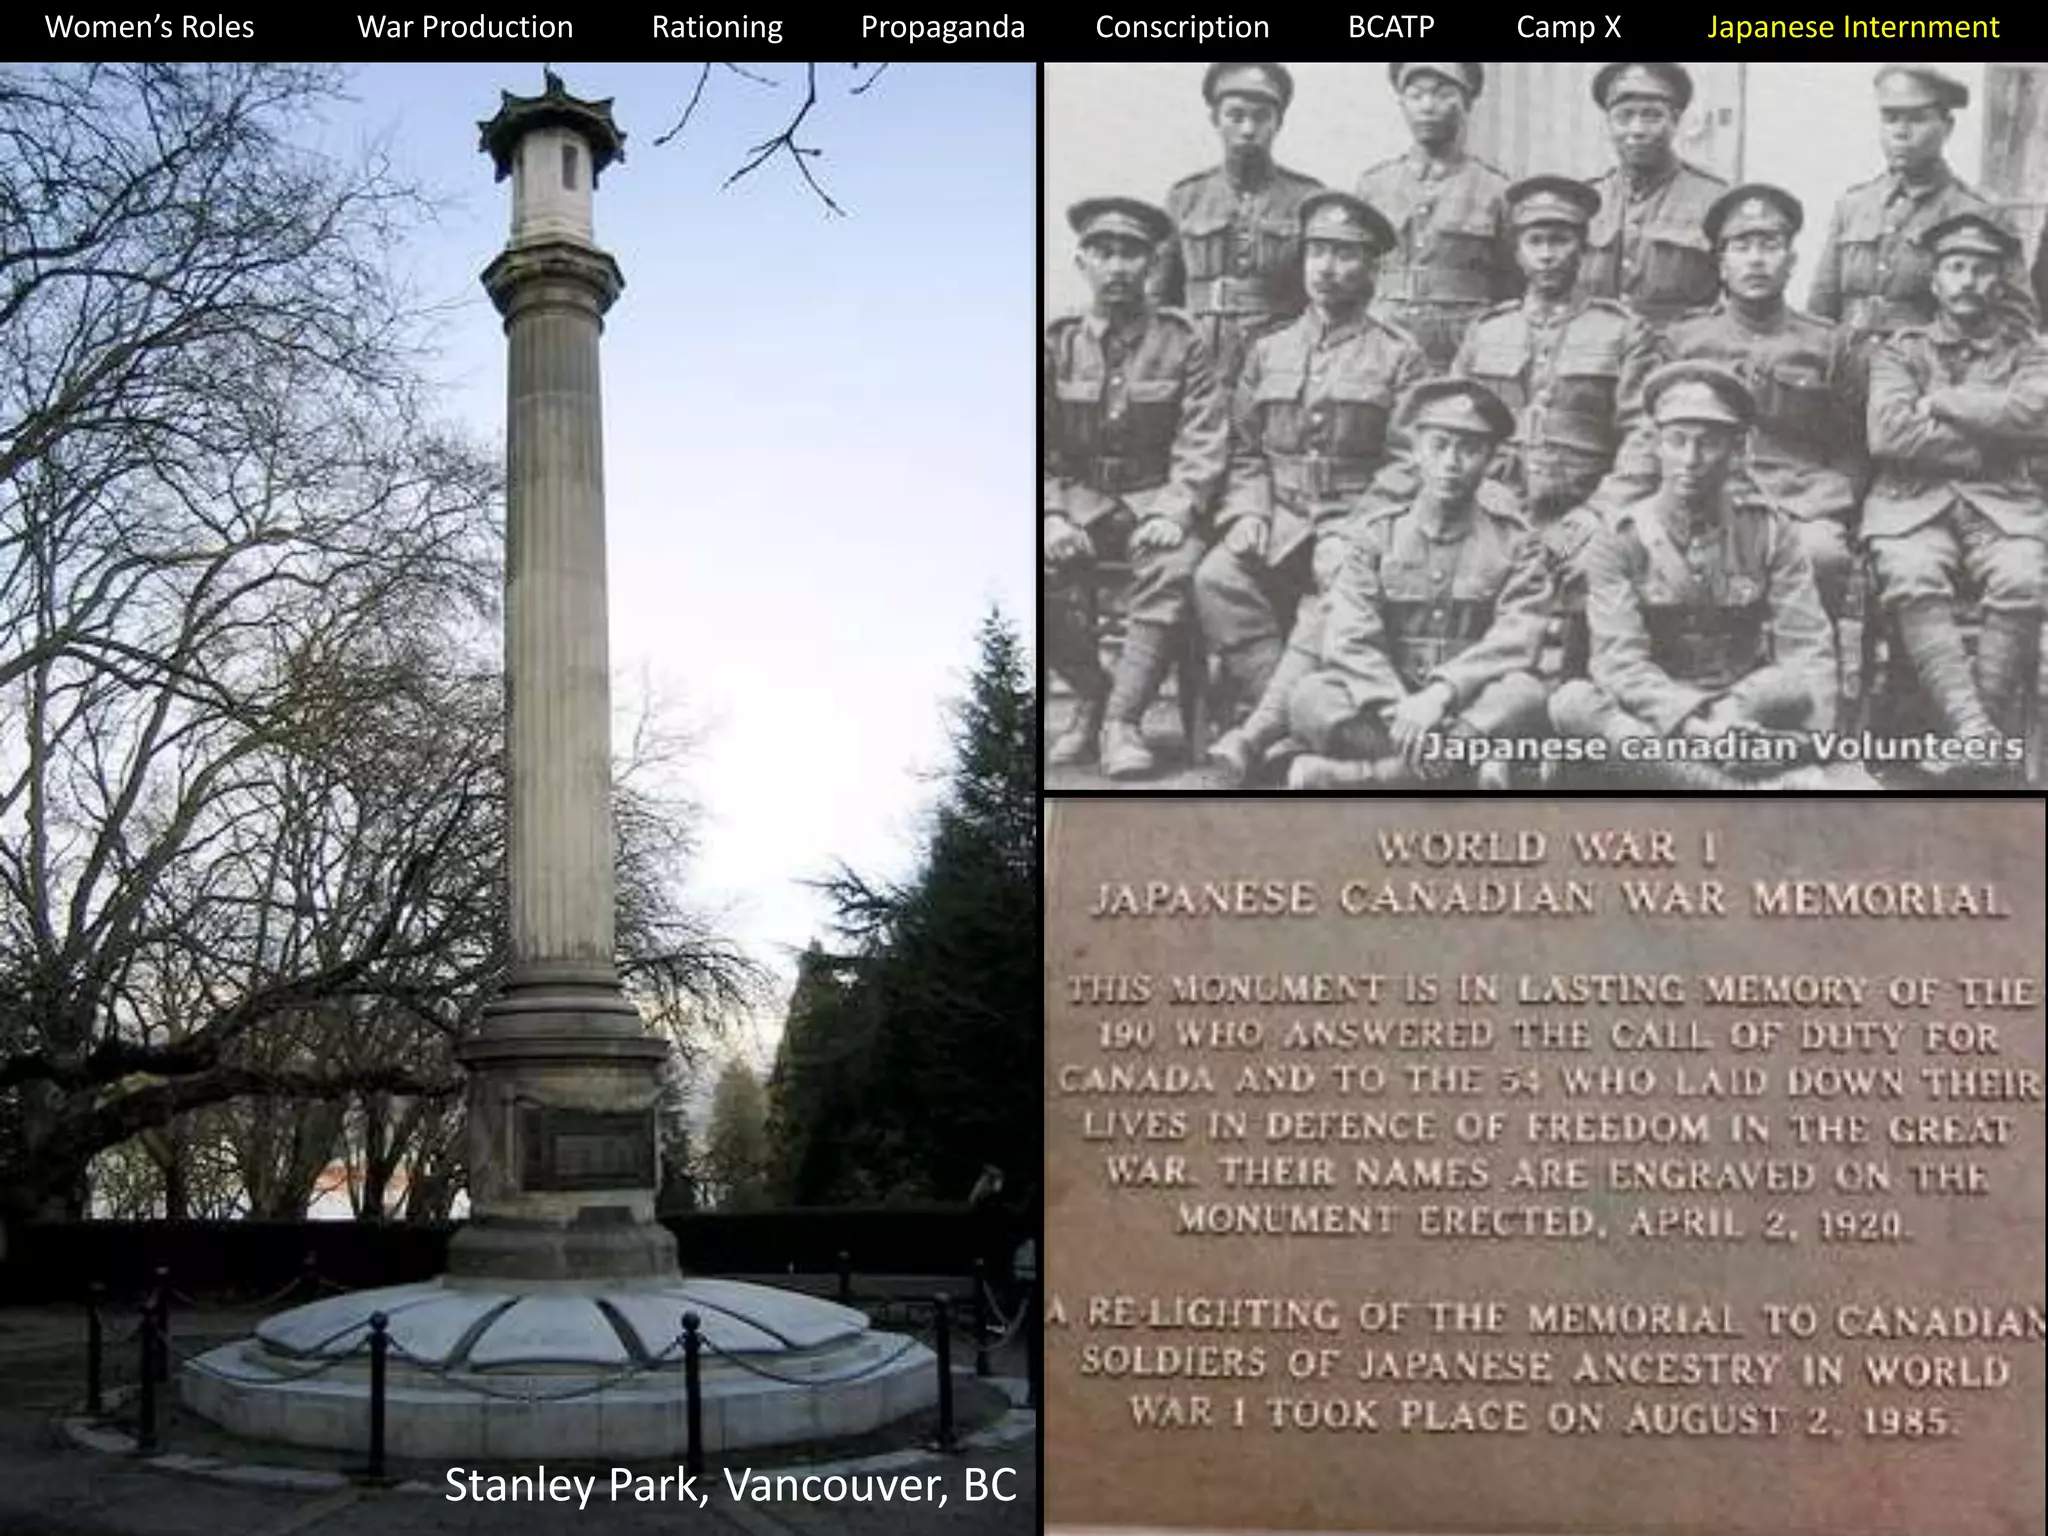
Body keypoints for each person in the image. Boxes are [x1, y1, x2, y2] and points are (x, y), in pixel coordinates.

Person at [1196, 191, 1428, 784]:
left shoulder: (1398, 355)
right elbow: (1245, 447)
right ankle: (1291, 723)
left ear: (1373, 270)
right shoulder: (1268, 349)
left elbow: (1408, 460)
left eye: (1346, 254)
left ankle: (1253, 735)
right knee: (1216, 577)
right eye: (1318, 251)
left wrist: (1356, 528)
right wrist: (1246, 510)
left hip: (1359, 519)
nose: (1327, 268)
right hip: (1280, 517)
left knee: (1339, 580)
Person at [1551, 360, 1850, 790]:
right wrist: (1700, 729)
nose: (1690, 460)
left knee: (1788, 685)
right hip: (1658, 714)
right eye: (1676, 442)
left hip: (1746, 704)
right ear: (1655, 445)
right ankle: (1740, 788)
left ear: (1736, 449)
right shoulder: (1619, 537)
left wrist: (1809, 741)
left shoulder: (1768, 529)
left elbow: (1806, 644)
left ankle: (1698, 771)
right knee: (1573, 704)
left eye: (1708, 444)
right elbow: (1620, 662)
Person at [1602, 184, 1866, 625]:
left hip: (1797, 503)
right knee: (1643, 549)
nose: (1757, 259)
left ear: (1792, 261)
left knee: (1820, 554)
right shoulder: (1686, 340)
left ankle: (1812, 675)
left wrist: (1825, 502)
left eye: (1770, 246)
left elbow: (1855, 445)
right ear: (1721, 265)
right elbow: (1654, 434)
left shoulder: (1827, 343)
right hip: (1700, 495)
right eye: (1742, 247)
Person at [1285, 378, 1553, 788]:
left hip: (1470, 701)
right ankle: (1468, 765)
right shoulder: (1376, 535)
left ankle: (1363, 776)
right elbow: (1351, 638)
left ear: (1491, 460)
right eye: (1439, 445)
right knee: (1310, 697)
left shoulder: (1516, 543)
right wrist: (1401, 710)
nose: (1452, 462)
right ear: (1415, 453)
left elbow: (1516, 639)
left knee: (1525, 695)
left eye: (1469, 449)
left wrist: (1441, 694)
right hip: (1392, 700)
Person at [1044, 197, 1227, 778]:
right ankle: (1093, 693)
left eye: (1132, 254)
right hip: (1079, 503)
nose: (1118, 266)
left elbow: (1203, 439)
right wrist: (1050, 515)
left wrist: (1176, 509)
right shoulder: (1057, 341)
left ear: (1153, 264)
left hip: (1157, 502)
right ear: (1082, 261)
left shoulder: (1183, 340)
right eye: (1104, 252)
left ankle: (1122, 720)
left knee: (1175, 568)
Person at [1449, 175, 1661, 677]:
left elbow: (1644, 435)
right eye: (1535, 241)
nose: (1547, 254)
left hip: (1583, 510)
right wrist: (1484, 502)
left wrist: (1596, 514)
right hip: (1496, 507)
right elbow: (1455, 427)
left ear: (1583, 247)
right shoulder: (1486, 332)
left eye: (1560, 240)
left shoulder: (1621, 330)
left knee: (1597, 580)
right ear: (1517, 250)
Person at [1865, 212, 2047, 772]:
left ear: (1999, 282)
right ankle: (1976, 731)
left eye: (1982, 269)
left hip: (2004, 504)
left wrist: (1941, 402)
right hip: (1910, 503)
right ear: (1935, 280)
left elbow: (2036, 416)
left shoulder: (2028, 350)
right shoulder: (1901, 350)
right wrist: (1990, 440)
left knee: (2023, 576)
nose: (1968, 280)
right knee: (1912, 574)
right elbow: (1889, 432)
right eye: (1956, 267)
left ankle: (1973, 736)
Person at [1808, 66, 2035, 344]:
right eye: (1890, 119)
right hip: (1848, 369)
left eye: (1917, 120)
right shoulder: (1854, 205)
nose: (1901, 133)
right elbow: (1821, 309)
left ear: (1947, 127)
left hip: (1928, 374)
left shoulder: (1978, 213)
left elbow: (2016, 323)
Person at [1151, 63, 1324, 387]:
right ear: (1215, 120)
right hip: (1198, 356)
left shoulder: (1307, 198)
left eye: (1261, 117)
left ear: (1278, 123)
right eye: (1236, 116)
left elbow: (1320, 295)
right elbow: (1161, 296)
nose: (1248, 129)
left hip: (1281, 356)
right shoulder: (1186, 197)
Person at [1354, 62, 1515, 370]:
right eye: (1415, 95)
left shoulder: (1495, 189)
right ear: (1401, 103)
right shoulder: (1374, 185)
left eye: (1443, 95)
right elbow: (1358, 274)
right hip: (1385, 343)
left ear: (1466, 102)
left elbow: (1511, 286)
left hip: (1462, 349)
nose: (1427, 107)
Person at [1579, 63, 1729, 327]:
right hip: (1596, 356)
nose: (1636, 130)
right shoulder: (1586, 201)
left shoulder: (1714, 200)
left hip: (1677, 356)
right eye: (1624, 116)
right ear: (1609, 124)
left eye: (1651, 116)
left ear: (1676, 120)